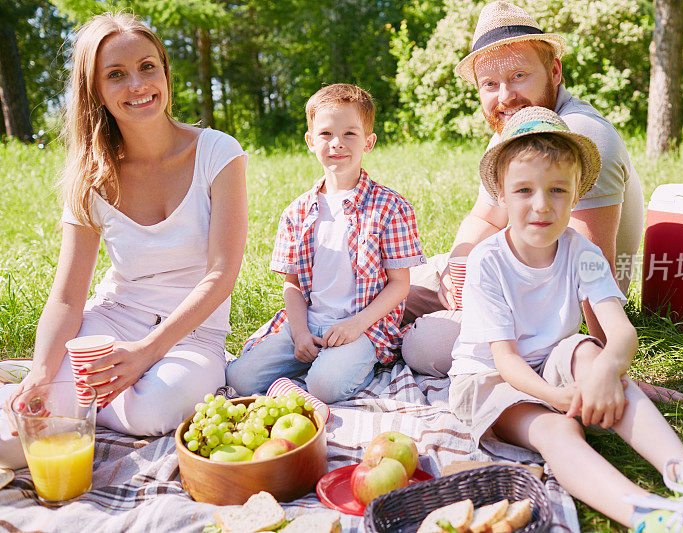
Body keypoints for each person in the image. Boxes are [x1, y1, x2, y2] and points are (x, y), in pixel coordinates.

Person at [447, 106, 683, 531]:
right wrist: (559, 397)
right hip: (490, 378)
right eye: (524, 191)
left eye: (558, 190)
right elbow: (506, 360)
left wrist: (607, 371)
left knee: (591, 353)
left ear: (577, 193)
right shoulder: (487, 261)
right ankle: (649, 514)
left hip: (551, 358)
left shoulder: (581, 253)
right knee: (558, 431)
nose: (542, 205)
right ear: (503, 197)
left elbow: (620, 332)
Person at [0, 13, 248, 469]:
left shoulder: (218, 152)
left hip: (194, 334)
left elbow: (222, 273)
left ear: (166, 73)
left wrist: (146, 354)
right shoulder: (92, 175)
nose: (138, 84)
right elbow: (67, 297)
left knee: (150, 410)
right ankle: (39, 386)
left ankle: (73, 404)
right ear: (95, 91)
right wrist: (40, 371)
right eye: (116, 74)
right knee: (42, 391)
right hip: (113, 320)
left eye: (148, 67)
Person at [402, 0, 645, 377]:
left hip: (550, 300)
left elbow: (592, 267)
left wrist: (608, 370)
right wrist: (457, 266)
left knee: (425, 345)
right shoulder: (516, 128)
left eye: (518, 76)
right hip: (504, 264)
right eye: (490, 84)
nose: (504, 97)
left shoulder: (578, 135)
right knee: (385, 290)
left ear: (554, 71)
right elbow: (485, 215)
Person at [225, 84, 425, 403]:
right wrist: (301, 332)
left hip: (362, 326)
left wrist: (354, 326)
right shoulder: (297, 212)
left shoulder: (389, 207)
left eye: (350, 134)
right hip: (310, 323)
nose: (337, 144)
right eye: (326, 134)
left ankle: (342, 369)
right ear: (310, 141)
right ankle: (306, 368)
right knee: (239, 378)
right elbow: (292, 285)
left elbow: (400, 285)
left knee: (325, 386)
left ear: (368, 142)